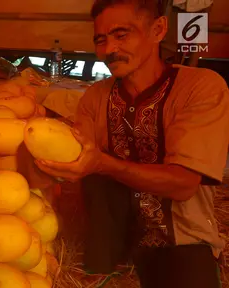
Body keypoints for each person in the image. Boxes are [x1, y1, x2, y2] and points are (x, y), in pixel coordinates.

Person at [17, 0, 229, 287]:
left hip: (181, 235)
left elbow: (184, 184)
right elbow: (72, 158)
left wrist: (103, 164)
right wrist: (31, 152)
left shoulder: (200, 87)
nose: (109, 50)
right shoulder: (95, 96)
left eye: (121, 35)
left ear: (158, 29)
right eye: (101, 40)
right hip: (109, 237)